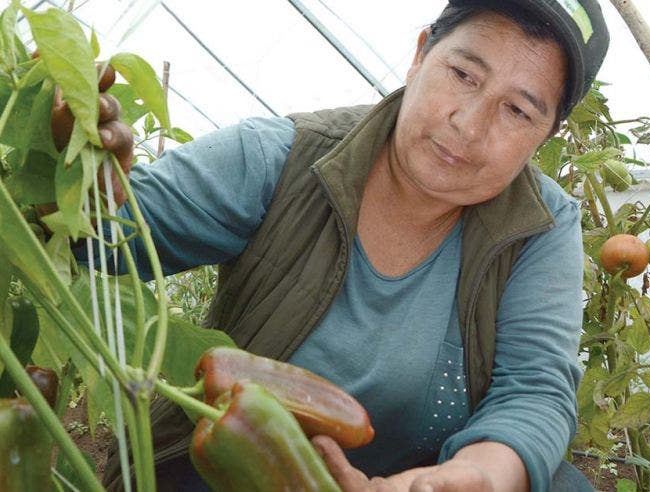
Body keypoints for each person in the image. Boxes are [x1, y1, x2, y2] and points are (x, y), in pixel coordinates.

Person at [83, 0, 610, 490]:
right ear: (422, 52)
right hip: (233, 464)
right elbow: (105, 232)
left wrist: (469, 477)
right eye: (463, 74)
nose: (469, 126)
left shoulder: (539, 226)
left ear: (547, 134)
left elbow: (535, 390)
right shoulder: (283, 160)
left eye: (517, 111)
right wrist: (82, 174)